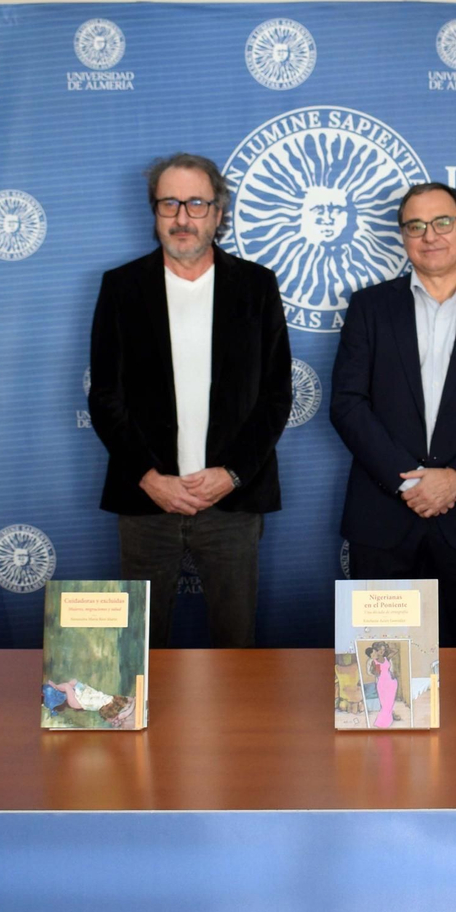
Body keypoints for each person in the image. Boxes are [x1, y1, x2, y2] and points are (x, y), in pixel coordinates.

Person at [89, 152, 292, 648]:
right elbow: (106, 398)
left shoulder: (256, 286)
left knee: (235, 643)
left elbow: (275, 395)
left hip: (232, 500)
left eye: (196, 204)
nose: (182, 218)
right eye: (169, 204)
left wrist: (233, 474)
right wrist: (150, 477)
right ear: (155, 213)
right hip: (147, 499)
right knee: (139, 649)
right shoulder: (121, 288)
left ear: (219, 213)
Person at [330, 182, 456, 647]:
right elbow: (347, 404)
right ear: (403, 236)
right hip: (384, 517)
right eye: (415, 226)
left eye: (443, 222)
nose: (430, 235)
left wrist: (455, 478)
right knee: (382, 677)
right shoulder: (369, 308)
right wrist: (410, 481)